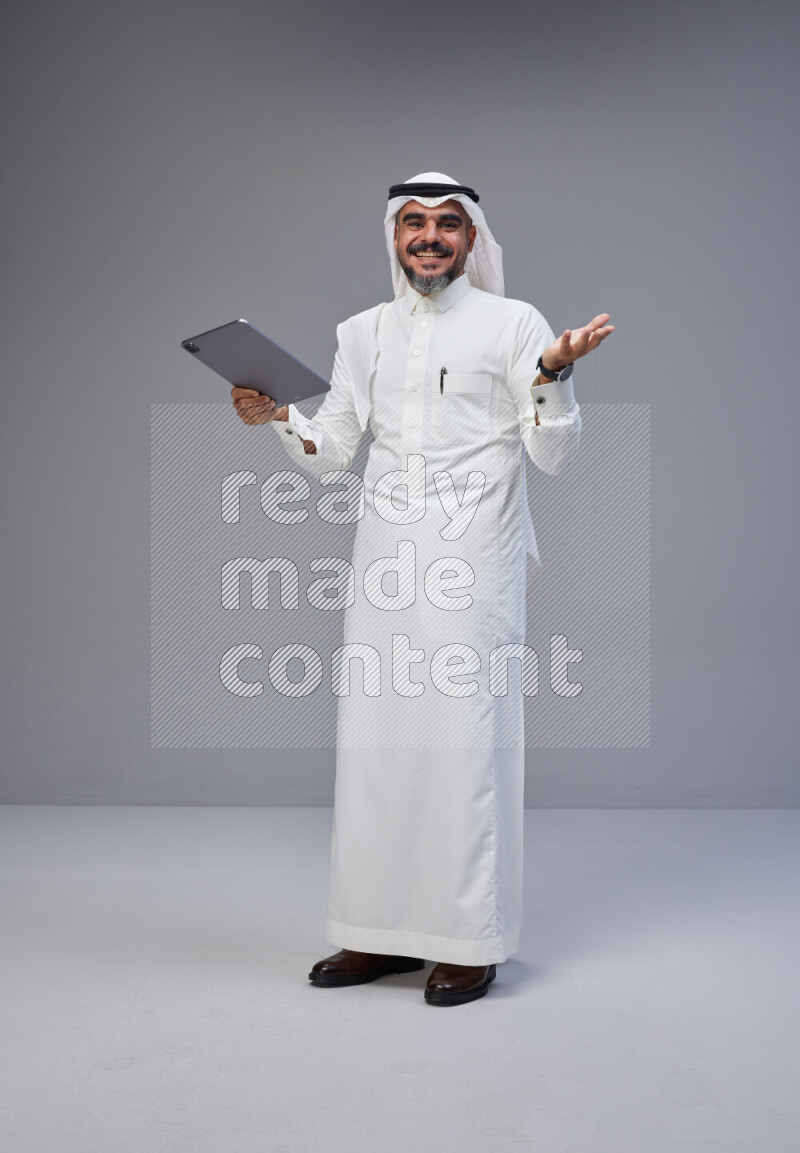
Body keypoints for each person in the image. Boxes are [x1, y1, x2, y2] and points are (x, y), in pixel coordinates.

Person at [232, 172, 614, 1006]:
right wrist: (278, 420)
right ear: (394, 236)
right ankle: (375, 932)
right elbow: (333, 449)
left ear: (473, 239)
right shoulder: (361, 332)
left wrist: (552, 374)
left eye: (448, 224)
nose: (431, 237)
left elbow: (553, 455)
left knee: (464, 743)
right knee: (378, 743)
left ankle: (468, 941)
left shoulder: (516, 325)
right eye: (415, 223)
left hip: (476, 557)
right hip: (384, 560)